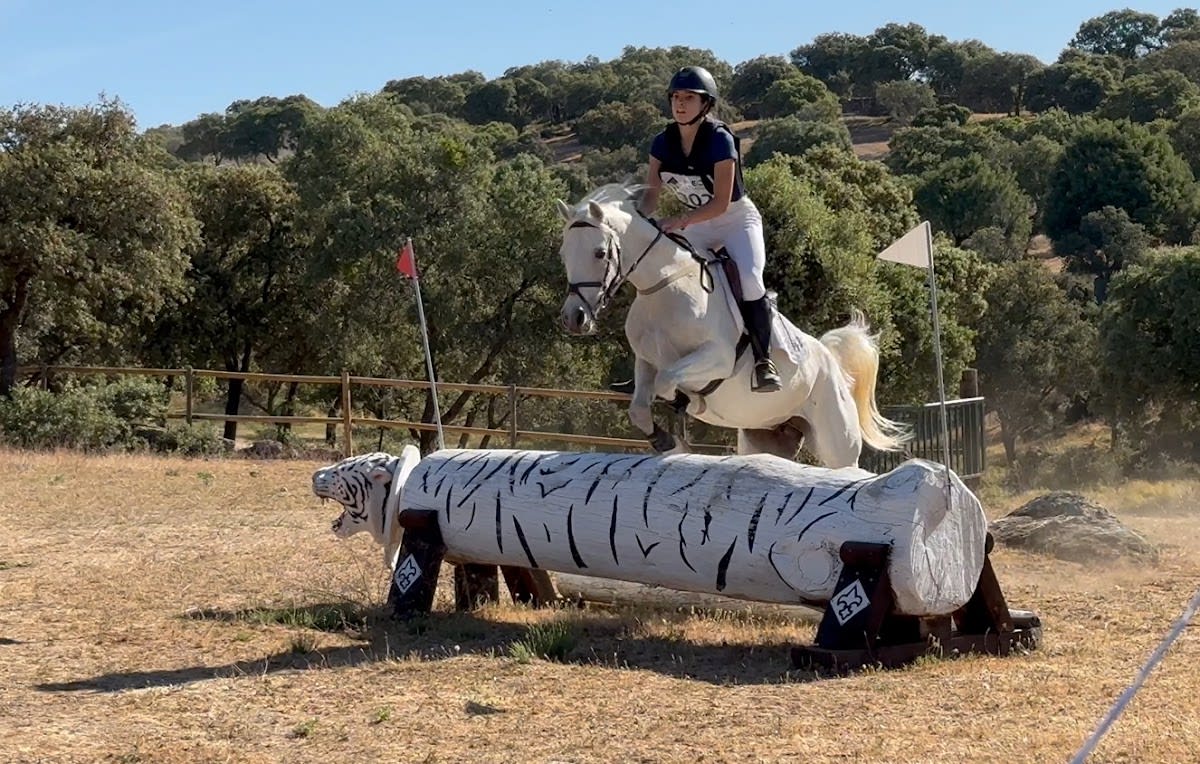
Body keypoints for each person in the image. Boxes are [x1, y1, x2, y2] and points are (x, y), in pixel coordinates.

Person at [634, 65, 781, 393]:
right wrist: (632, 220)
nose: (680, 104)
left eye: (689, 97)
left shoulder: (719, 139)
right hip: (696, 221)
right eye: (675, 97)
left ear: (706, 104)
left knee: (750, 279)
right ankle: (650, 357)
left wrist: (677, 223)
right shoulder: (662, 142)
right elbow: (651, 196)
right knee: (659, 270)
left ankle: (763, 361)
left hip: (735, 220)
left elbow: (719, 204)